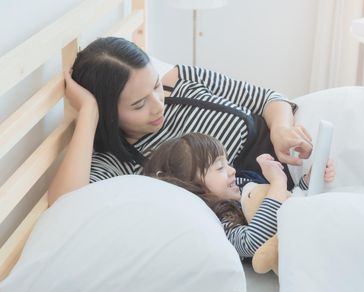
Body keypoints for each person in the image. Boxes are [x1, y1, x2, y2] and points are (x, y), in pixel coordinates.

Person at [48, 37, 313, 205]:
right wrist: (89, 111)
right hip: (270, 205)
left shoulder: (177, 80)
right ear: (107, 114)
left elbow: (268, 98)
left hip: (300, 160)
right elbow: (64, 207)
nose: (157, 105)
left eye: (154, 86)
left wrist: (280, 131)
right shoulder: (114, 162)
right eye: (139, 104)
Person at [143, 132, 336, 257]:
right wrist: (278, 181)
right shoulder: (215, 220)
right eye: (220, 167)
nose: (232, 170)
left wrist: (309, 181)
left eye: (227, 163)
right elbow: (252, 242)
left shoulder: (240, 188)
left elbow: (286, 202)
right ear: (188, 183)